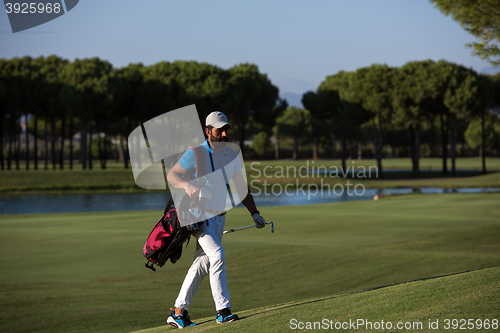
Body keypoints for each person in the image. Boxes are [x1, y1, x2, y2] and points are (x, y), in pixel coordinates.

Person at [165, 111, 266, 328]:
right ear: (208, 131)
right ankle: (223, 310)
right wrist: (186, 184)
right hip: (198, 216)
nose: (223, 134)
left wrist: (254, 213)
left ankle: (178, 311)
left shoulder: (231, 154)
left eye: (225, 129)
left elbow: (241, 187)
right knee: (217, 255)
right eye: (219, 130)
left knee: (202, 263)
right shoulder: (196, 153)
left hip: (219, 218)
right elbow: (172, 175)